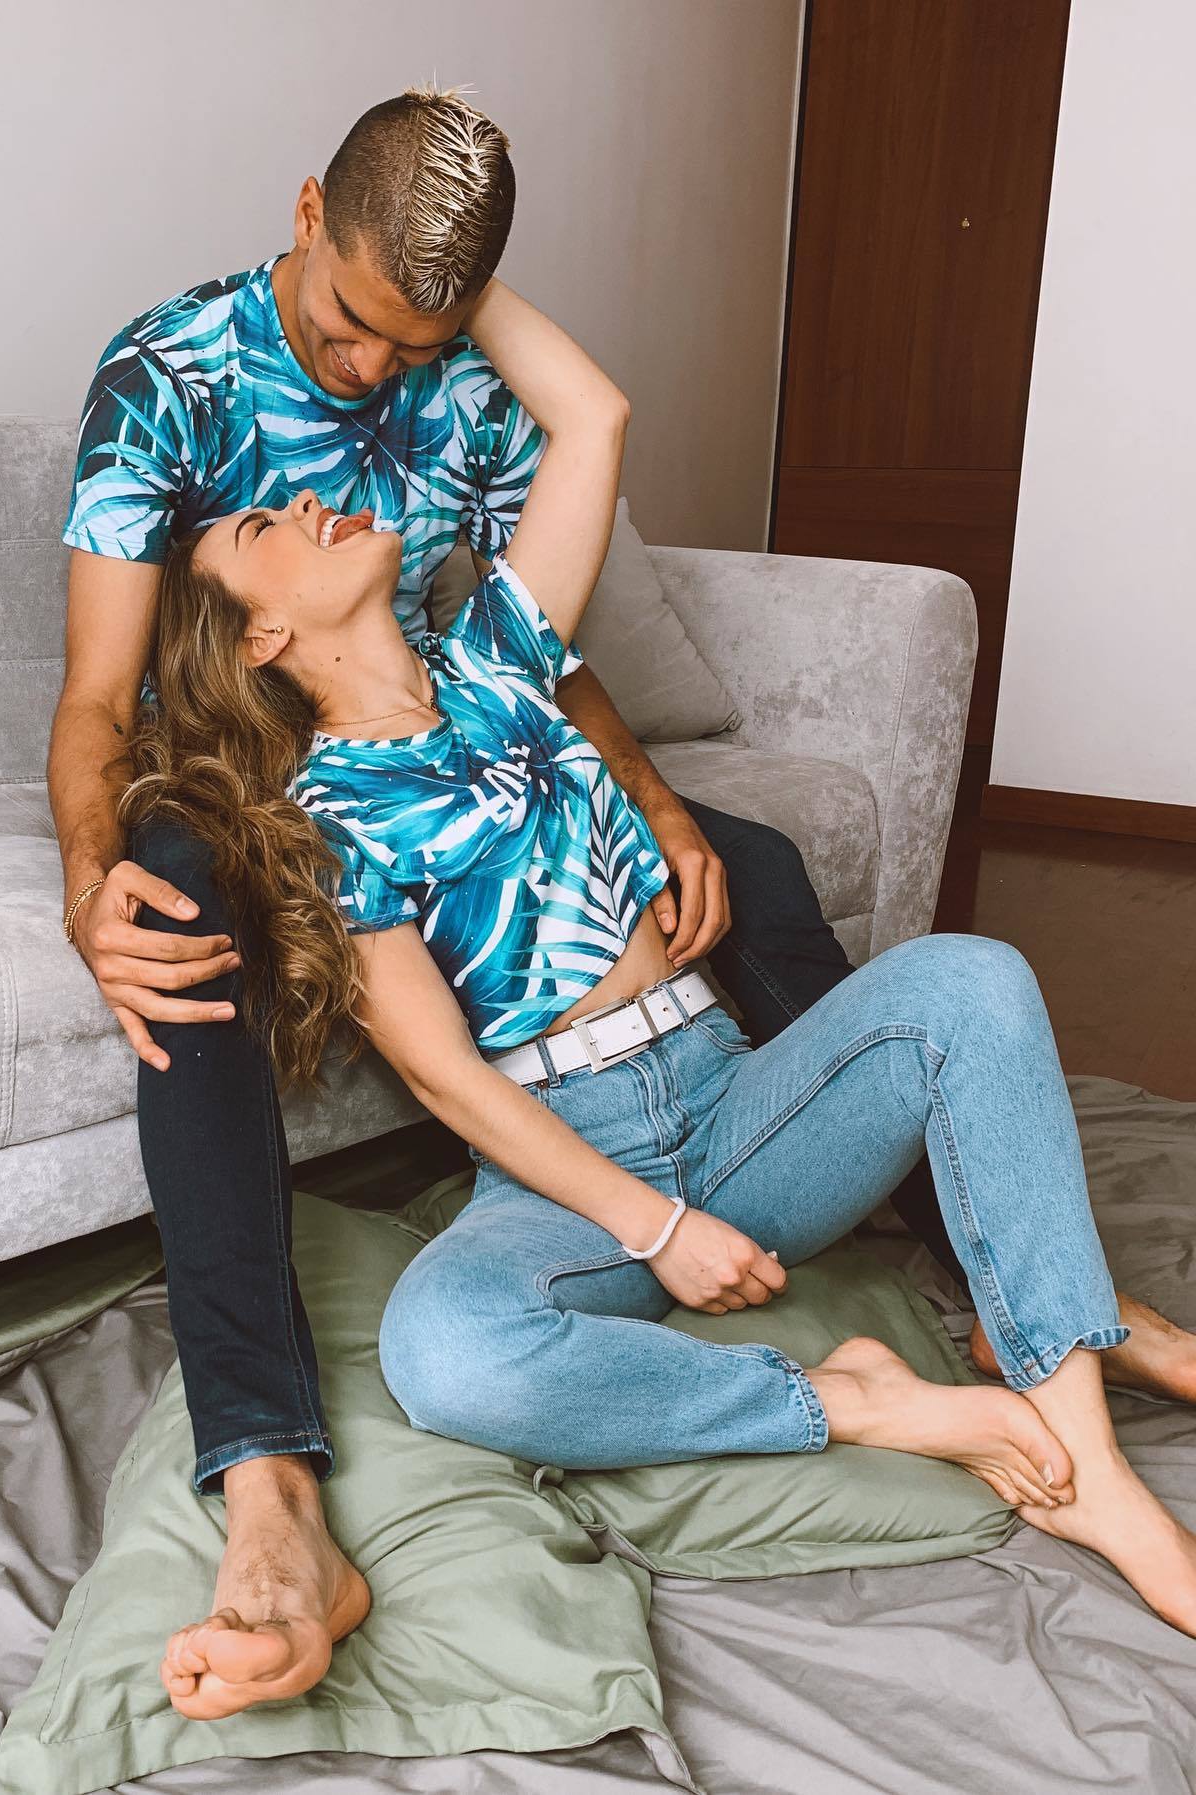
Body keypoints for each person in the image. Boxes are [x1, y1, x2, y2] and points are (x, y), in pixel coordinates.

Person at [120, 266, 1196, 1713]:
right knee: (447, 1354)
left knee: (972, 981)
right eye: (264, 527)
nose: (309, 503)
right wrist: (657, 1229)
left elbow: (594, 416)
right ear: (259, 639)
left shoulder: (501, 659)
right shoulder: (322, 818)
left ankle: (1093, 1471)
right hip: (568, 1166)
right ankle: (855, 1403)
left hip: (734, 1097)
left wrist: (436, 258)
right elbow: (443, 1073)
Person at [51, 84, 966, 1716]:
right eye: (350, 326)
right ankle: (268, 1480)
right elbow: (98, 702)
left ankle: (975, 1251)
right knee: (181, 908)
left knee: (746, 856)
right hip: (244, 767)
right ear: (306, 210)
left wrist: (656, 803)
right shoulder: (165, 374)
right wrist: (83, 882)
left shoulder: (456, 385)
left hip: (420, 754)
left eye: (415, 342)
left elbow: (526, 654)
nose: (371, 371)